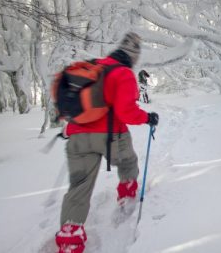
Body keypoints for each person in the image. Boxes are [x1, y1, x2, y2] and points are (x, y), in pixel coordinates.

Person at [54, 32, 159, 253]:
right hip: (112, 135)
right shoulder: (123, 74)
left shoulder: (93, 67)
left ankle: (70, 237)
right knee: (128, 162)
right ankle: (128, 193)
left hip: (78, 137)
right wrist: (148, 118)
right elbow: (127, 112)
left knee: (79, 184)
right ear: (133, 57)